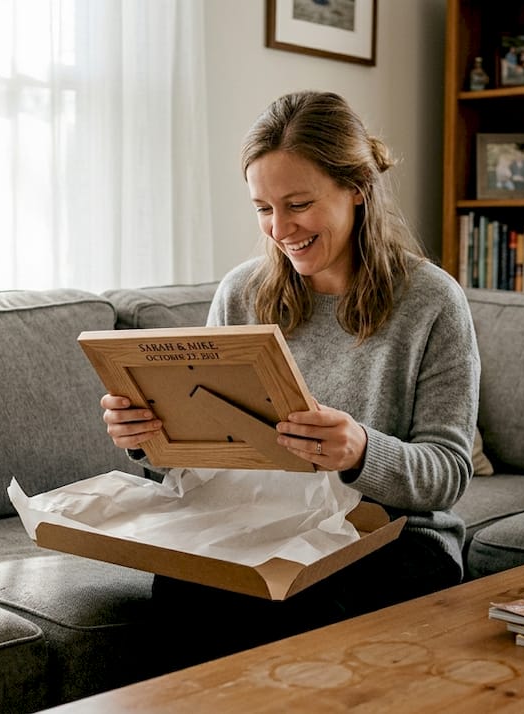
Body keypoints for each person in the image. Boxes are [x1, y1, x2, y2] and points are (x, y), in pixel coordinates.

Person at [99, 90, 480, 669]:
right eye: (262, 208)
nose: (280, 228)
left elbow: (448, 473)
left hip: (393, 536)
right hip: (261, 525)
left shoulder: (432, 301)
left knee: (303, 604)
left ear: (356, 188)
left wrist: (360, 451)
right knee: (182, 590)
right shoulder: (242, 293)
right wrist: (148, 438)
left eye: (298, 203)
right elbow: (208, 460)